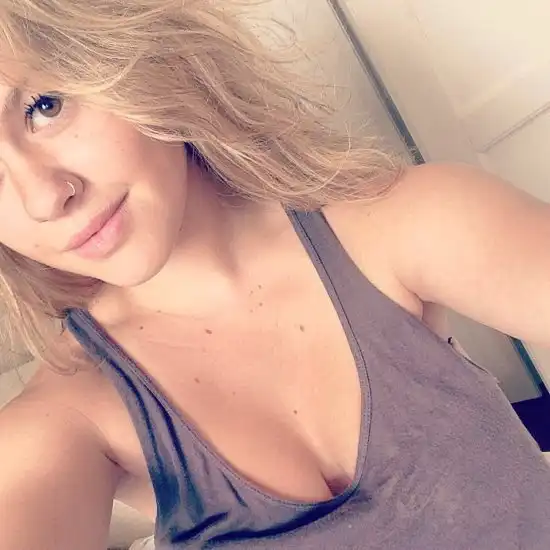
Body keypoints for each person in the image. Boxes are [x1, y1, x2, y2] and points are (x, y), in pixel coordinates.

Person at [0, 1, 549, 549]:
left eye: (45, 106)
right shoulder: (67, 417)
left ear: (140, 51)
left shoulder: (406, 222)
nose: (44, 199)